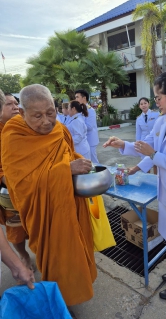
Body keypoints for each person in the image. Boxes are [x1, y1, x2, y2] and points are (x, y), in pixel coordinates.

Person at [103, 72, 166, 300]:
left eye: (159, 97)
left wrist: (155, 155)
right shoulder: (162, 120)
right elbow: (147, 145)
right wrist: (124, 145)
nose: (156, 101)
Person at [1, 84, 97, 307]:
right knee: (56, 258)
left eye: (50, 113)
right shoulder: (14, 135)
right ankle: (59, 299)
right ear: (22, 113)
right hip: (44, 210)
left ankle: (74, 291)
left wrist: (78, 162)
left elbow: (68, 153)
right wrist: (66, 170)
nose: (46, 121)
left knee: (74, 253)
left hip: (67, 202)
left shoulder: (59, 129)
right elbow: (20, 184)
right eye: (37, 116)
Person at [0, 89, 34, 289]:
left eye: (16, 103)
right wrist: (10, 179)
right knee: (16, 229)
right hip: (10, 191)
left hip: (32, 186)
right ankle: (22, 255)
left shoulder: (23, 125)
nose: (15, 107)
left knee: (37, 224)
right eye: (9, 104)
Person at [75, 89, 100, 163]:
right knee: (86, 161)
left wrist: (78, 126)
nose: (76, 99)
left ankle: (100, 174)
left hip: (90, 140)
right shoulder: (80, 110)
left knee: (93, 161)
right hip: (83, 141)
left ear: (84, 98)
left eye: (77, 97)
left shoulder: (90, 110)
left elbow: (90, 126)